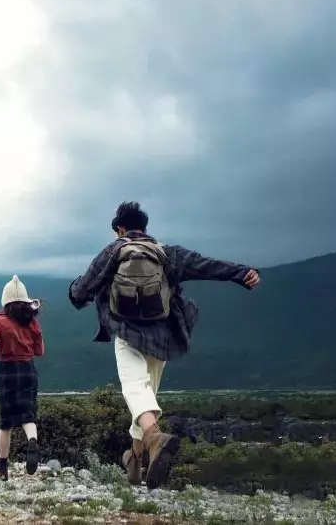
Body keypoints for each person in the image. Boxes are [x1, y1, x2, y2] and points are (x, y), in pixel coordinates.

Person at [68, 201, 261, 490]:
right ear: (145, 228)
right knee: (144, 397)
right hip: (162, 337)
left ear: (120, 229)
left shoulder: (113, 251)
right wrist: (242, 273)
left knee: (135, 389)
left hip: (126, 331)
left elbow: (80, 293)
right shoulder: (166, 253)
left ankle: (155, 439)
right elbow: (207, 265)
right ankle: (135, 463)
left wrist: (76, 288)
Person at [0, 275, 45, 481]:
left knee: (6, 421)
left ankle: (3, 468)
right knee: (28, 414)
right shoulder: (32, 321)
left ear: (4, 301)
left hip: (7, 370)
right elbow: (40, 350)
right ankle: (32, 440)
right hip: (28, 369)